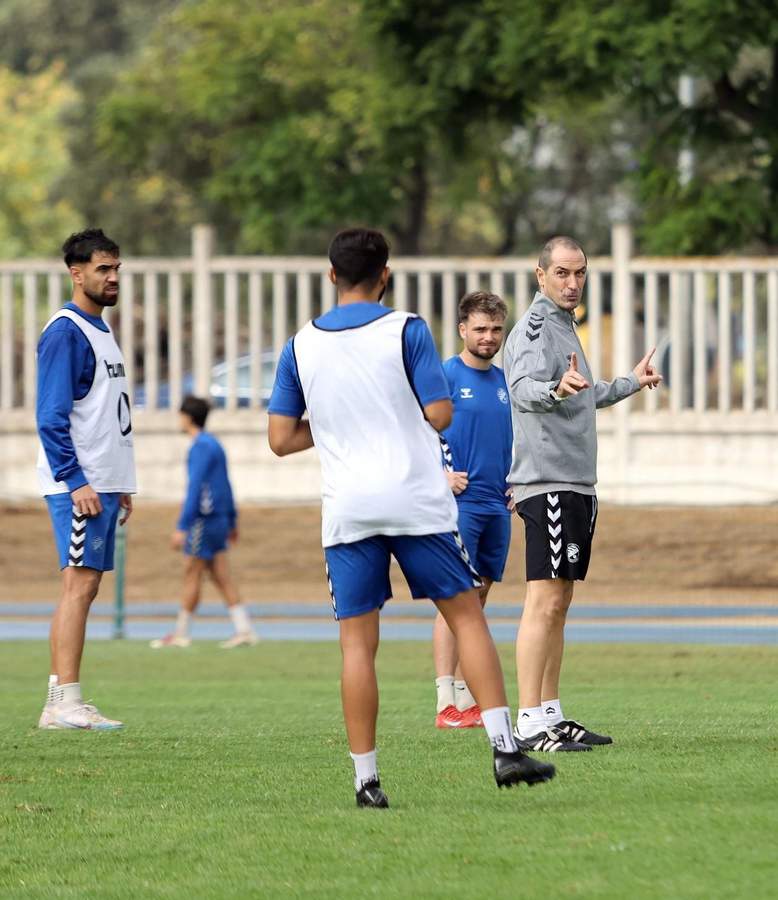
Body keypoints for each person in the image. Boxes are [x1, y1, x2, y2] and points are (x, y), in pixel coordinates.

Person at [267, 228, 553, 807]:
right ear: (386, 275)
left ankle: (366, 782)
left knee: (356, 645)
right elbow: (441, 413)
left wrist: (339, 428)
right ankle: (504, 750)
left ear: (331, 276)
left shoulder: (299, 345)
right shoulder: (407, 328)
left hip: (347, 507)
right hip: (414, 499)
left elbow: (279, 438)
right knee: (466, 615)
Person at [504, 236, 661, 752]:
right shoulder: (533, 327)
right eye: (564, 273)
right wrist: (553, 389)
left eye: (581, 274)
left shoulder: (564, 326)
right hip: (547, 480)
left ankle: (551, 712)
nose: (573, 283)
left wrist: (630, 383)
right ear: (541, 274)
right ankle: (528, 721)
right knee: (543, 601)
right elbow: (523, 388)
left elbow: (580, 394)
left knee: (561, 600)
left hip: (575, 481)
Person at [34, 229, 136, 730]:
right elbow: (50, 416)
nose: (113, 277)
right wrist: (76, 481)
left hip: (103, 483)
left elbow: (104, 413)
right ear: (76, 274)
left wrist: (122, 482)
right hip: (80, 486)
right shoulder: (65, 332)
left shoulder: (100, 329)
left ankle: (62, 700)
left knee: (85, 587)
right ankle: (63, 703)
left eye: (116, 268)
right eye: (103, 269)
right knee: (79, 587)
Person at [432, 291, 512, 728]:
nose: (488, 337)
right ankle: (446, 701)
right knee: (454, 602)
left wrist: (518, 480)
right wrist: (437, 477)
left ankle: (466, 701)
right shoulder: (444, 375)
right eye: (480, 329)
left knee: (477, 603)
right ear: (463, 329)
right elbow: (413, 431)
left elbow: (510, 441)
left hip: (497, 507)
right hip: (459, 505)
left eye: (496, 329)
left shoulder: (503, 382)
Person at [151, 395, 259, 649]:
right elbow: (226, 484)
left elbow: (195, 488)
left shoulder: (200, 446)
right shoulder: (215, 444)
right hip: (219, 518)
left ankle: (181, 633)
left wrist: (182, 526)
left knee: (192, 572)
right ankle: (244, 629)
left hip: (204, 520)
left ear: (187, 417)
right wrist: (232, 520)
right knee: (221, 575)